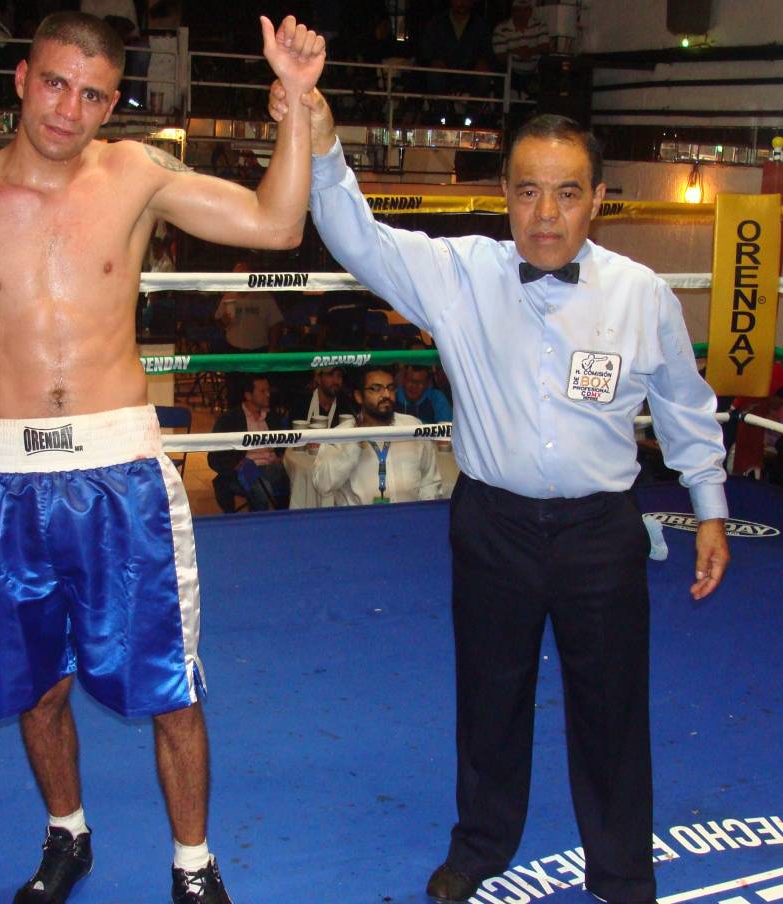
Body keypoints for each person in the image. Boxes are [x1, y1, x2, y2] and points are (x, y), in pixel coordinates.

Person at [0, 12, 325, 904]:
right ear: (22, 78)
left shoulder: (134, 174)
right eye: (54, 83)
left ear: (111, 104)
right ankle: (67, 835)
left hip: (119, 472)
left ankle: (194, 862)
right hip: (4, 480)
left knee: (169, 688)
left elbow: (276, 226)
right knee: (36, 689)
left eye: (91, 95)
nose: (67, 109)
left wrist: (299, 103)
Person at [268, 86, 730, 904]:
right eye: (528, 191)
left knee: (613, 709)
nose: (546, 214)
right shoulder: (461, 275)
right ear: (505, 195)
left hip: (600, 531)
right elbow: (357, 238)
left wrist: (712, 508)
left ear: (598, 199)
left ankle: (622, 871)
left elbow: (684, 407)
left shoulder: (641, 294)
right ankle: (481, 843)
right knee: (489, 697)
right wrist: (325, 139)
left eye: (567, 192)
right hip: (494, 525)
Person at [313, 365, 445, 506]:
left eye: (390, 388)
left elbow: (430, 481)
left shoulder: (412, 427)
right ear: (359, 396)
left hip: (408, 516)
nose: (386, 395)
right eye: (376, 389)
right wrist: (353, 445)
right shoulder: (342, 434)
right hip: (360, 518)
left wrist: (423, 513)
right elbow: (322, 485)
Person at [208, 374, 291, 512]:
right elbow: (214, 457)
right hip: (245, 470)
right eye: (263, 391)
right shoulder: (230, 419)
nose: (268, 395)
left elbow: (284, 445)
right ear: (248, 395)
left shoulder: (272, 418)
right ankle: (259, 523)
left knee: (301, 479)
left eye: (268, 390)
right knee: (261, 489)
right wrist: (236, 465)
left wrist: (282, 456)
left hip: (273, 468)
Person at [214, 260, 285, 354]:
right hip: (232, 348)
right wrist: (224, 321)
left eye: (243, 274)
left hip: (258, 350)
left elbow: (276, 323)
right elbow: (218, 320)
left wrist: (272, 348)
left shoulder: (264, 297)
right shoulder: (228, 296)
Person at [491, 0, 549, 99]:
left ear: (530, 11)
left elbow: (545, 47)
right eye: (518, 10)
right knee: (498, 70)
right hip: (511, 73)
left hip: (535, 73)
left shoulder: (540, 25)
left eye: (526, 10)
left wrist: (529, 51)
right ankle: (501, 107)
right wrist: (518, 51)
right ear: (512, 12)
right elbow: (500, 55)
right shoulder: (501, 29)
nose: (522, 14)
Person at [288, 365, 355, 427]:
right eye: (330, 374)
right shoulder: (301, 404)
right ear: (318, 378)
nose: (335, 381)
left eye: (339, 375)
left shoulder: (346, 405)